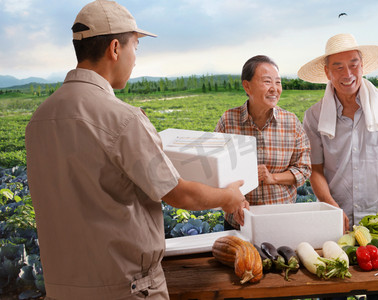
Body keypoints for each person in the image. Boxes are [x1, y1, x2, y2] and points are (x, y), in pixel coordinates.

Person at [25, 1, 247, 299]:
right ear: (115, 48)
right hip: (125, 287)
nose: (135, 60)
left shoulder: (39, 119)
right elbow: (178, 193)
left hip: (61, 287)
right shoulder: (122, 118)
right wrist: (228, 197)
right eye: (136, 48)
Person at [298, 33, 378, 234]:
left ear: (362, 66)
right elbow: (315, 169)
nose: (348, 74)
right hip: (339, 218)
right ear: (328, 72)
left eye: (353, 65)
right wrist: (331, 206)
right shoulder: (313, 116)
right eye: (338, 67)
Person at [215, 55, 312, 229]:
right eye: (267, 81)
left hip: (280, 219)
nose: (274, 89)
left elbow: (304, 169)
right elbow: (217, 170)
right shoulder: (228, 120)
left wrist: (272, 178)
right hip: (239, 221)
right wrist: (236, 201)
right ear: (247, 86)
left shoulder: (291, 122)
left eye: (278, 82)